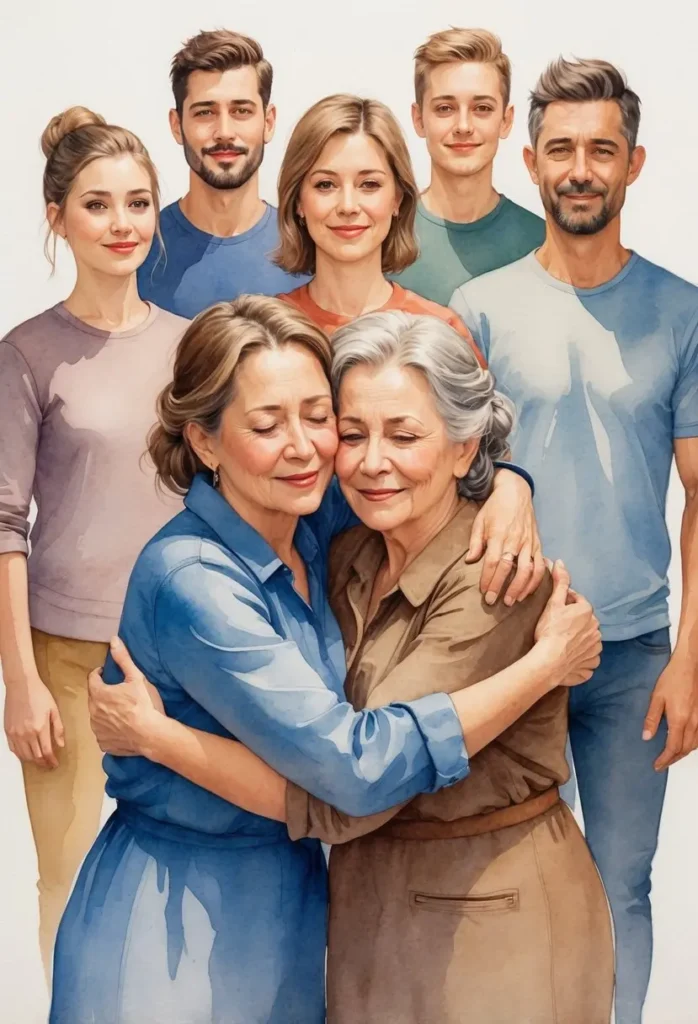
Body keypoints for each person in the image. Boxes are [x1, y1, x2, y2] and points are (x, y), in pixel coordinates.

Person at [52, 296, 601, 1024]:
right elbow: (354, 771)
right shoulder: (196, 580)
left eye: (319, 418)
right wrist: (543, 666)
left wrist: (509, 482)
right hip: (182, 915)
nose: (308, 447)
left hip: (328, 907)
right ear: (206, 443)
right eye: (266, 424)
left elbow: (431, 452)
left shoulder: (320, 525)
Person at [450, 57, 698, 1024]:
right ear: (532, 160)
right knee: (502, 879)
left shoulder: (683, 312)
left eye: (602, 149)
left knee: (619, 886)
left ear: (635, 164)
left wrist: (690, 658)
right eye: (562, 150)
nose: (581, 168)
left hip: (635, 651)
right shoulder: (482, 310)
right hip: (507, 643)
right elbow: (454, 483)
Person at [0, 106, 188, 981]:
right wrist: (22, 683)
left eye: (139, 204)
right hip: (65, 662)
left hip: (178, 660)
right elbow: (5, 525)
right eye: (99, 205)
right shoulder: (28, 355)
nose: (123, 225)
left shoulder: (191, 350)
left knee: (178, 887)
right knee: (69, 886)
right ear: (57, 218)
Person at [275, 93, 545, 594]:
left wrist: (514, 483)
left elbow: (481, 463)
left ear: (399, 198)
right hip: (289, 591)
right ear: (296, 199)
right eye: (325, 184)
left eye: (370, 185)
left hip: (407, 599)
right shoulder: (269, 333)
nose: (348, 205)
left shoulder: (439, 329)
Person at [137, 29, 308, 318]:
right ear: (177, 125)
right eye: (205, 113)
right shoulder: (139, 249)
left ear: (268, 122)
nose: (224, 132)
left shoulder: (308, 246)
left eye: (241, 111)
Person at [393, 27, 545, 305]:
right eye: (445, 108)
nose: (463, 126)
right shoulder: (383, 235)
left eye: (482, 109)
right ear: (418, 119)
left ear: (506, 120)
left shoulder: (542, 244)